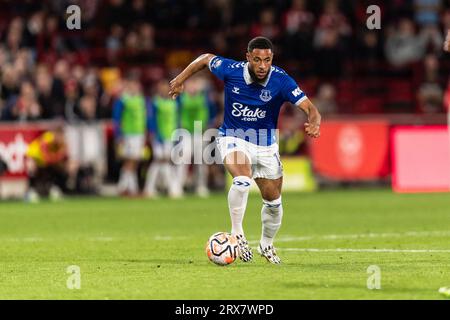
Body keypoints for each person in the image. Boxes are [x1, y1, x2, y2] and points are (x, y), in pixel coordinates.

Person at [169, 36, 321, 264]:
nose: (262, 66)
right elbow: (204, 59)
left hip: (266, 144)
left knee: (273, 202)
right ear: (248, 57)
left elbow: (310, 108)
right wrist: (180, 79)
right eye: (257, 60)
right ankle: (237, 234)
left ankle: (266, 244)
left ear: (272, 59)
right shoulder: (231, 70)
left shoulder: (281, 80)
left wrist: (314, 120)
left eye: (267, 60)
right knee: (241, 179)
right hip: (233, 137)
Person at [112, 74, 149, 196]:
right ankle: (128, 188)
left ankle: (125, 187)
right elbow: (117, 119)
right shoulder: (123, 100)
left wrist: (145, 132)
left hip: (139, 133)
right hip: (128, 133)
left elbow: (144, 118)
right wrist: (119, 135)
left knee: (134, 160)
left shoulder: (141, 100)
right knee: (130, 160)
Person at [145, 79, 181, 198]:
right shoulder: (155, 102)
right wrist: (153, 133)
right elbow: (151, 119)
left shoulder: (174, 102)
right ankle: (170, 188)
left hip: (171, 135)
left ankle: (153, 188)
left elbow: (176, 120)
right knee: (161, 160)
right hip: (159, 136)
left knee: (163, 161)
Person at [25, 126, 68, 202]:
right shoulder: (47, 139)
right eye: (59, 135)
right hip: (33, 155)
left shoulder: (60, 142)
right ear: (55, 134)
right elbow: (46, 157)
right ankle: (31, 192)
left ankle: (54, 189)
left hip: (42, 160)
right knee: (33, 169)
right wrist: (58, 157)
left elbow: (64, 154)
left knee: (57, 168)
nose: (61, 138)